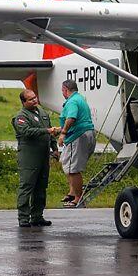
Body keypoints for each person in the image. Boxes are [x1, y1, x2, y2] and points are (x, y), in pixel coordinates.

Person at [12, 89, 57, 227]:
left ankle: (37, 216)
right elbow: (25, 132)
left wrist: (54, 148)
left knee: (41, 187)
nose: (34, 100)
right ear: (24, 102)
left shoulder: (42, 113)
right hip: (29, 157)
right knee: (27, 186)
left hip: (43, 156)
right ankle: (23, 218)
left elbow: (50, 132)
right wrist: (47, 131)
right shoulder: (21, 116)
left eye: (35, 97)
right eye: (30, 99)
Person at [54, 79, 96, 207]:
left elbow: (71, 118)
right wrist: (59, 129)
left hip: (77, 137)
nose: (62, 92)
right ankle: (72, 192)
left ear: (66, 90)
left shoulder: (72, 101)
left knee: (73, 169)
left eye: (62, 90)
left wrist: (63, 133)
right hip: (87, 133)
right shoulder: (80, 99)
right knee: (66, 162)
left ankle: (78, 197)